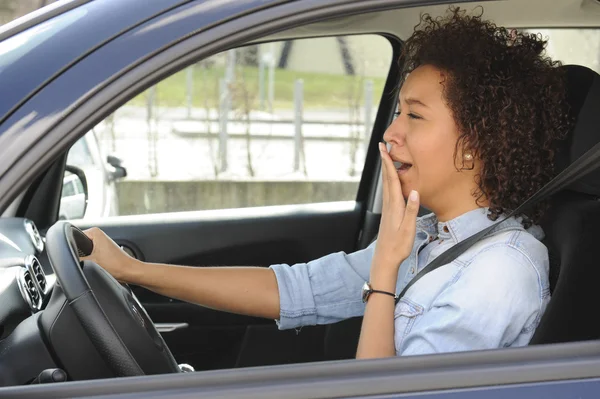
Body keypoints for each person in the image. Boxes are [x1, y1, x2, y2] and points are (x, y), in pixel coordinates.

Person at [82, 7, 571, 358]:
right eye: (396, 112)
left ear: (475, 142)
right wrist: (134, 271)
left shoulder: (498, 271)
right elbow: (296, 290)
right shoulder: (428, 237)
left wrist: (383, 275)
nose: (391, 133)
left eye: (414, 117)